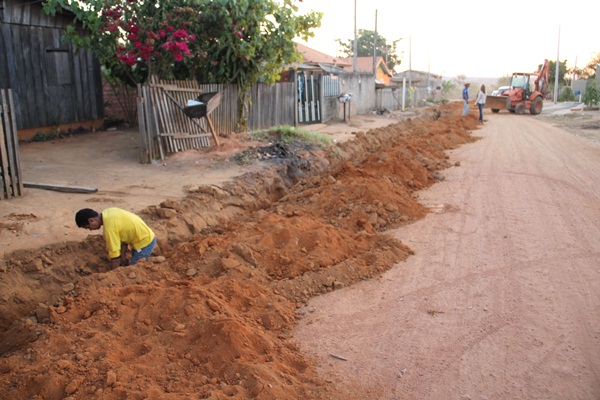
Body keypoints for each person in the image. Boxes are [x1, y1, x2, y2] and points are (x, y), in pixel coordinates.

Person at [75, 208, 156, 268]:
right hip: (141, 237)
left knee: (134, 269)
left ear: (91, 220)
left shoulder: (109, 228)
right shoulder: (108, 212)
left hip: (145, 242)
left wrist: (114, 274)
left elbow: (115, 257)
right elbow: (123, 237)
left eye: (88, 227)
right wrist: (123, 257)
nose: (90, 230)